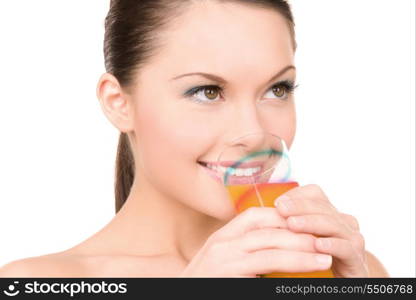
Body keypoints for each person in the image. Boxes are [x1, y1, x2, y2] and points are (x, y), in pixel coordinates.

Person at [0, 0, 389, 277]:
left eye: (277, 89)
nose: (252, 134)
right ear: (119, 103)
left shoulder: (346, 269)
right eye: (207, 91)